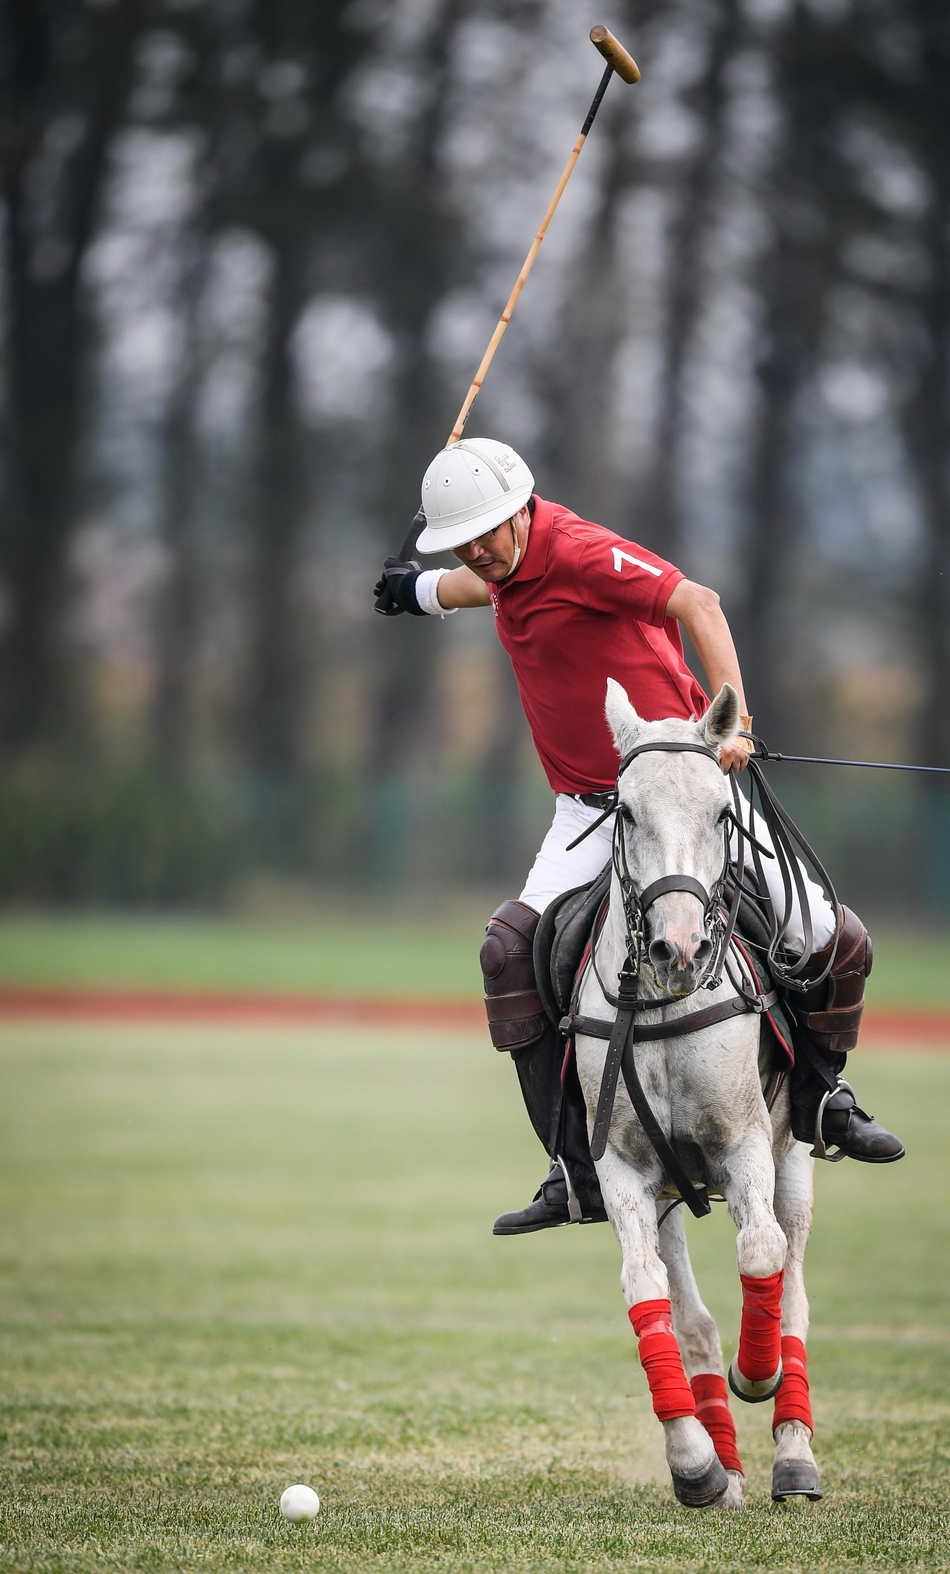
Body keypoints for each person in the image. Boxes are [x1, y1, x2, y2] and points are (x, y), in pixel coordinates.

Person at [375, 437, 904, 1235]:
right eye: (462, 540)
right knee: (507, 955)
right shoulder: (504, 566)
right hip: (586, 809)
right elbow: (494, 587)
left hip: (686, 785)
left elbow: (700, 603)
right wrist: (420, 593)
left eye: (486, 531)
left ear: (523, 509)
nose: (477, 550)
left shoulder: (581, 551)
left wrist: (737, 723)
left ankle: (823, 1096)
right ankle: (573, 1168)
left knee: (831, 935)